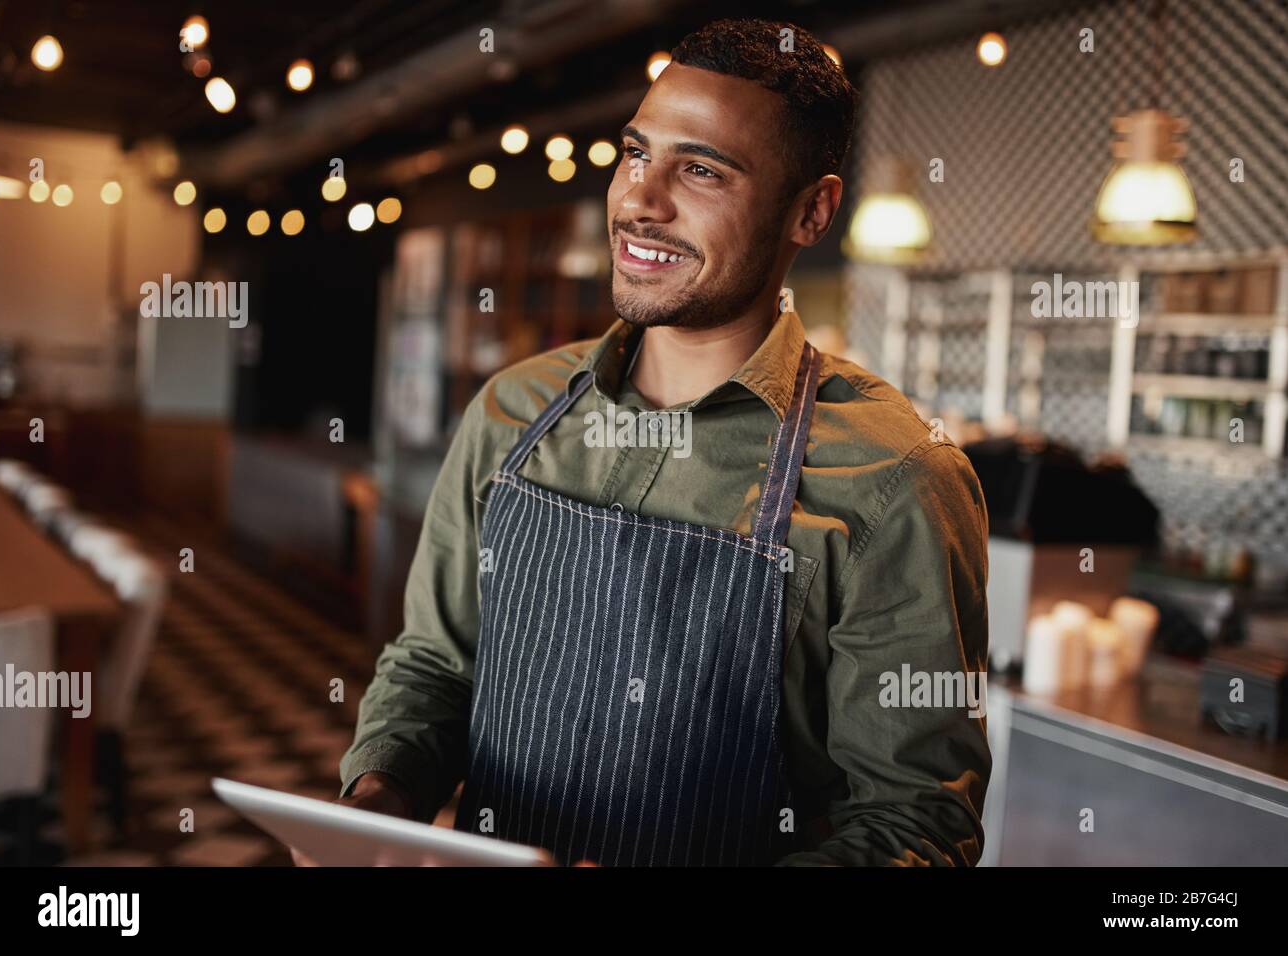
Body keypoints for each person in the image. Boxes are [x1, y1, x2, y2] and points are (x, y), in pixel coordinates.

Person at [319, 16, 990, 867]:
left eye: (701, 170)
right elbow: (434, 669)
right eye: (636, 153)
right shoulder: (511, 413)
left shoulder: (900, 478)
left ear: (812, 210)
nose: (640, 198)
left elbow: (916, 827)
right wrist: (375, 805)